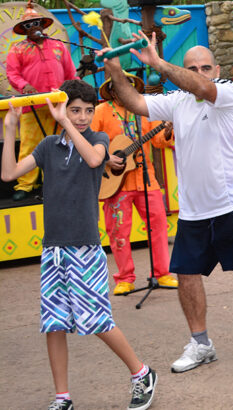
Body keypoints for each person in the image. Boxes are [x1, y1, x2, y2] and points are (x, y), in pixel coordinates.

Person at [100, 32, 233, 372]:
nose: (200, 73)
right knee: (186, 274)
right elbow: (135, 103)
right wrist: (114, 70)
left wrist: (158, 63)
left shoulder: (230, 92)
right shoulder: (176, 102)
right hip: (194, 210)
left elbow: (201, 88)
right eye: (193, 67)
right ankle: (201, 343)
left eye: (205, 67)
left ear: (216, 69)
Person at [1, 79, 158, 410]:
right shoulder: (47, 146)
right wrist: (10, 129)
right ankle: (62, 397)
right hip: (53, 249)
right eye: (75, 110)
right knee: (54, 324)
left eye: (88, 110)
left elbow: (92, 160)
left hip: (84, 248)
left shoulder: (98, 140)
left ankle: (141, 372)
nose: (83, 117)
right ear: (61, 108)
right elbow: (9, 173)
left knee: (97, 320)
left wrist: (66, 125)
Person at [91, 72, 178, 295]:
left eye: (128, 86)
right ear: (111, 90)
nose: (124, 89)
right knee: (118, 232)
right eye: (119, 86)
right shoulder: (100, 112)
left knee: (158, 227)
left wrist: (168, 130)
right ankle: (125, 278)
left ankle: (162, 273)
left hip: (146, 180)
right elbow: (89, 143)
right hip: (114, 184)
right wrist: (107, 158)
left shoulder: (145, 110)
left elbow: (159, 141)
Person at [6, 2, 77, 201]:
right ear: (24, 30)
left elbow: (71, 73)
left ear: (42, 25)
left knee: (58, 143)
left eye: (36, 23)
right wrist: (24, 85)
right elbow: (12, 74)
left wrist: (75, 91)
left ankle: (53, 183)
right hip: (31, 105)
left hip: (58, 105)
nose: (34, 27)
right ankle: (26, 185)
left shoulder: (58, 45)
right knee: (30, 145)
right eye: (29, 25)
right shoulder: (17, 49)